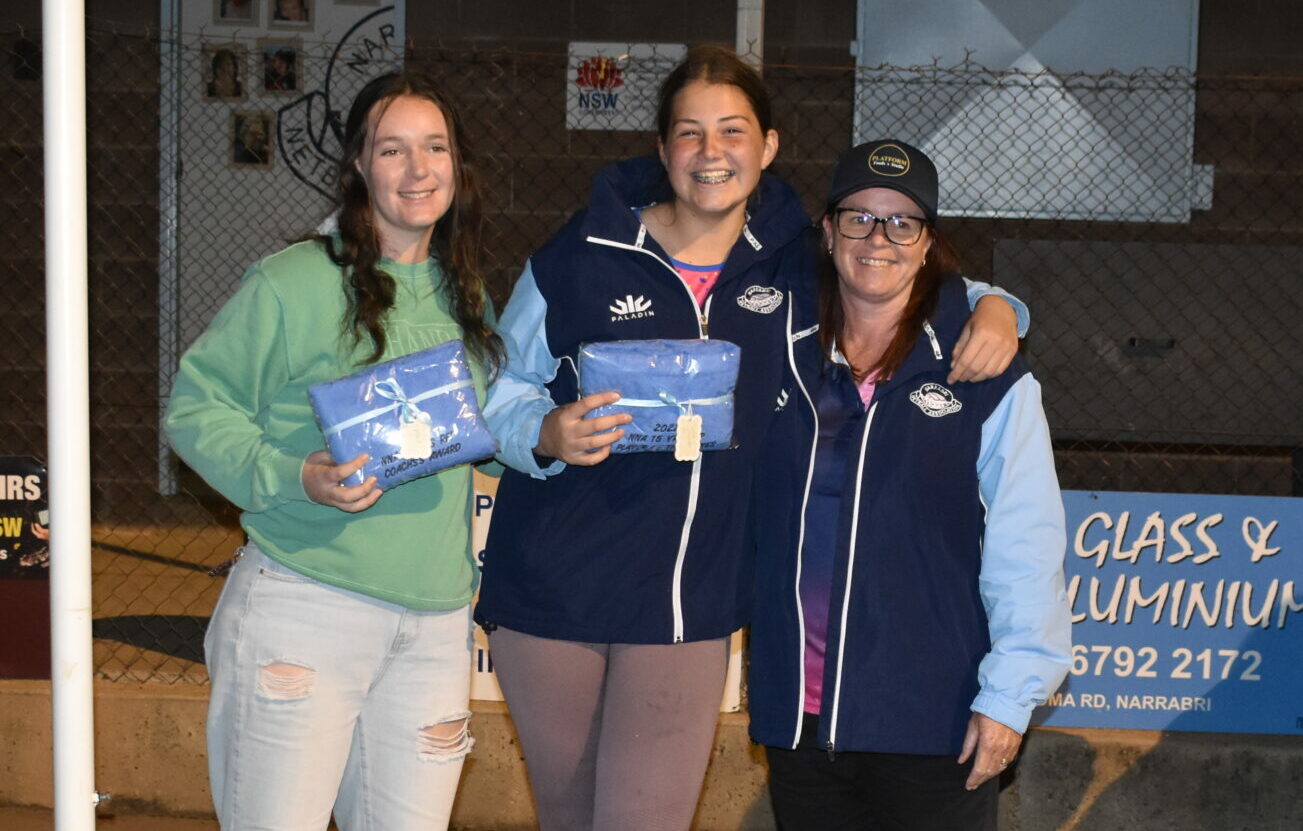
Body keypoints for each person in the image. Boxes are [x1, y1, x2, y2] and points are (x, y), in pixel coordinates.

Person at [475, 46, 1029, 831]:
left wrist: (1003, 307)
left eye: (732, 131)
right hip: (554, 590)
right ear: (662, 147)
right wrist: (542, 430)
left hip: (685, 608)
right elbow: (499, 386)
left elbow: (906, 272)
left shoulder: (797, 262)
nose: (711, 153)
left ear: (766, 147)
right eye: (690, 133)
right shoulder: (579, 256)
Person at [165, 71, 500, 830]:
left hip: (437, 622)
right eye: (392, 149)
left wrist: (550, 436)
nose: (418, 170)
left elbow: (491, 430)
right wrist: (293, 475)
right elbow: (194, 409)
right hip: (306, 610)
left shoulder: (465, 292)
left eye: (435, 147)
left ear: (458, 164)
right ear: (357, 166)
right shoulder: (293, 282)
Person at [747, 139, 1073, 831]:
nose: (878, 239)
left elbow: (1026, 542)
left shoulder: (988, 377)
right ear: (828, 230)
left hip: (934, 718)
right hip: (800, 720)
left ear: (928, 242)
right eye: (859, 217)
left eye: (902, 222)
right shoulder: (778, 351)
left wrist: (1008, 698)